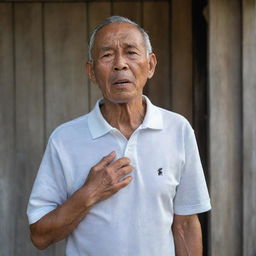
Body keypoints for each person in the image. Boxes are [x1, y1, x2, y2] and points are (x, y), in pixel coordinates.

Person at [27, 16, 211, 255]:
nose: (120, 64)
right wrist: (90, 193)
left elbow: (186, 225)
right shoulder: (65, 139)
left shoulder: (178, 130)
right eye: (106, 55)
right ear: (91, 71)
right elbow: (40, 235)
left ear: (151, 65)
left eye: (131, 52)